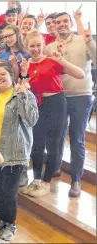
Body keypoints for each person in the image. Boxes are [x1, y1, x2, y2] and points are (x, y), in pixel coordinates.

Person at [0, 62, 38, 241]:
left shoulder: (23, 94)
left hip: (15, 153)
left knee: (9, 193)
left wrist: (22, 96)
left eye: (3, 74)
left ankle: (10, 223)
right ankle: (2, 221)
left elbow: (31, 119)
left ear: (12, 76)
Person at [22, 30, 85, 198]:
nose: (35, 49)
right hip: (38, 105)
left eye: (38, 45)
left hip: (56, 103)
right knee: (36, 144)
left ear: (43, 45)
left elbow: (81, 74)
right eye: (32, 46)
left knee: (53, 143)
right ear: (27, 47)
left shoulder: (52, 60)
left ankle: (46, 181)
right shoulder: (27, 64)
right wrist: (22, 73)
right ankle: (35, 180)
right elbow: (22, 86)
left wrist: (62, 60)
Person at [46, 12, 97, 198]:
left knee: (77, 138)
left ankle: (76, 179)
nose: (61, 25)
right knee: (56, 136)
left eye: (64, 21)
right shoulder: (50, 46)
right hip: (58, 96)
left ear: (71, 23)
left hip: (81, 96)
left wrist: (90, 41)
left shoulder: (83, 40)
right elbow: (48, 72)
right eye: (57, 22)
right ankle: (56, 166)